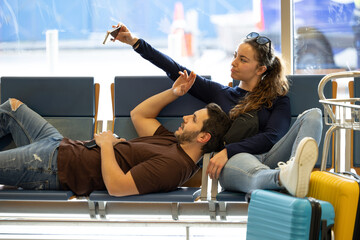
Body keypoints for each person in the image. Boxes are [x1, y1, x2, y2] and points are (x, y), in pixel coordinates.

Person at [112, 23, 323, 198]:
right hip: (236, 162)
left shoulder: (277, 100)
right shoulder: (220, 93)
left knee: (314, 114)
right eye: (235, 56)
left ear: (260, 69)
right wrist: (134, 42)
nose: (233, 63)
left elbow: (272, 136)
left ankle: (294, 171)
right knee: (254, 175)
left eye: (243, 59)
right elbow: (174, 68)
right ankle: (283, 178)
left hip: (265, 155)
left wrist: (227, 150)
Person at [0, 73, 231, 197]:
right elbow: (139, 115)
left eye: (193, 120)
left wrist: (107, 144)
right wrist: (174, 92)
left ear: (203, 138)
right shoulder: (173, 142)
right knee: (12, 108)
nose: (184, 118)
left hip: (53, 167)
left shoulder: (173, 167)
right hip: (60, 145)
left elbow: (117, 187)